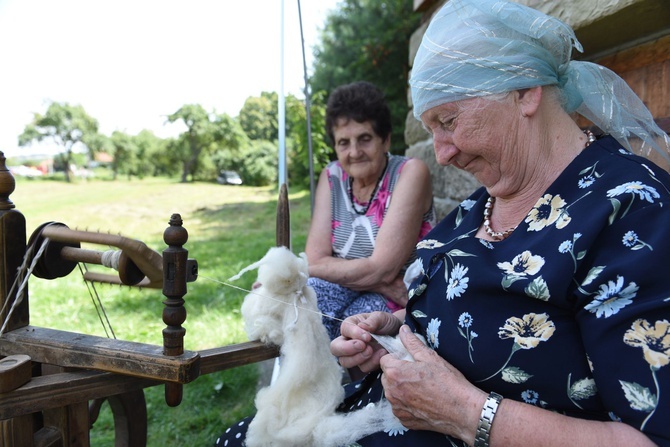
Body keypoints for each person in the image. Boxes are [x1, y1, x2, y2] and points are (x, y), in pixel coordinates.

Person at [215, 1, 670, 446]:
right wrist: (396, 333)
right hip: (368, 417)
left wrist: (466, 414)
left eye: (449, 121)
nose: (443, 152)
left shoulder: (630, 210)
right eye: (431, 128)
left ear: (525, 92)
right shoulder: (481, 204)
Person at [305, 81, 436, 341]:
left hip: (403, 300)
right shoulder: (332, 176)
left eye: (364, 139)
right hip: (389, 288)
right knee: (301, 307)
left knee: (361, 332)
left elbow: (382, 268)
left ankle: (355, 382)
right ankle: (305, 380)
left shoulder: (409, 173)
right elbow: (313, 260)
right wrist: (379, 279)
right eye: (343, 142)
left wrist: (374, 275)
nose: (354, 152)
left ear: (385, 140)